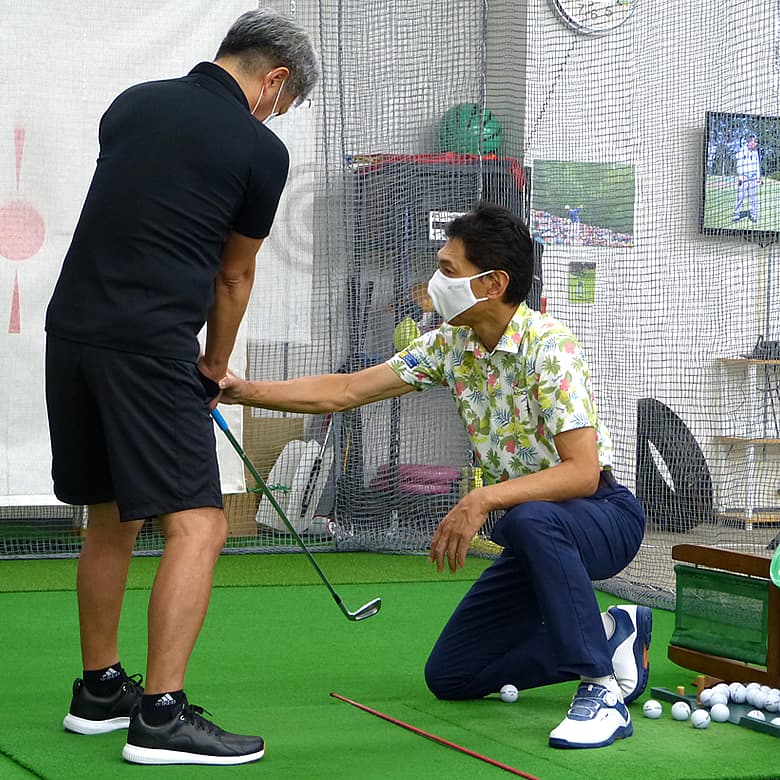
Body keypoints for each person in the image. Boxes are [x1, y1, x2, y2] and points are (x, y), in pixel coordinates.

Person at [218, 202, 651, 750]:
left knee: (530, 520)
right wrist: (244, 391)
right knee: (453, 674)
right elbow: (347, 390)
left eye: (448, 269)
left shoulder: (549, 347)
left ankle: (601, 690)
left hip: (601, 517)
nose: (434, 282)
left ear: (493, 283)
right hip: (535, 533)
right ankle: (611, 637)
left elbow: (583, 473)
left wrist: (482, 499)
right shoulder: (451, 344)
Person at [44, 9, 319, 766]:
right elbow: (233, 273)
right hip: (150, 346)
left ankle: (100, 690)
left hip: (73, 334)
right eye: (282, 104)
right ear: (275, 79)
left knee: (111, 515)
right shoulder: (259, 149)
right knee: (200, 524)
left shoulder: (131, 104)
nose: (275, 117)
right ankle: (161, 717)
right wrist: (214, 366)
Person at [733, 135, 762, 223]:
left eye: (756, 143)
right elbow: (739, 163)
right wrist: (740, 175)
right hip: (744, 178)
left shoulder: (756, 152)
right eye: (753, 142)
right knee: (740, 198)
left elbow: (757, 164)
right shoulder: (742, 150)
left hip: (753, 178)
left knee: (753, 199)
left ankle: (754, 216)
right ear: (749, 142)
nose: (755, 144)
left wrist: (758, 177)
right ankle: (736, 216)